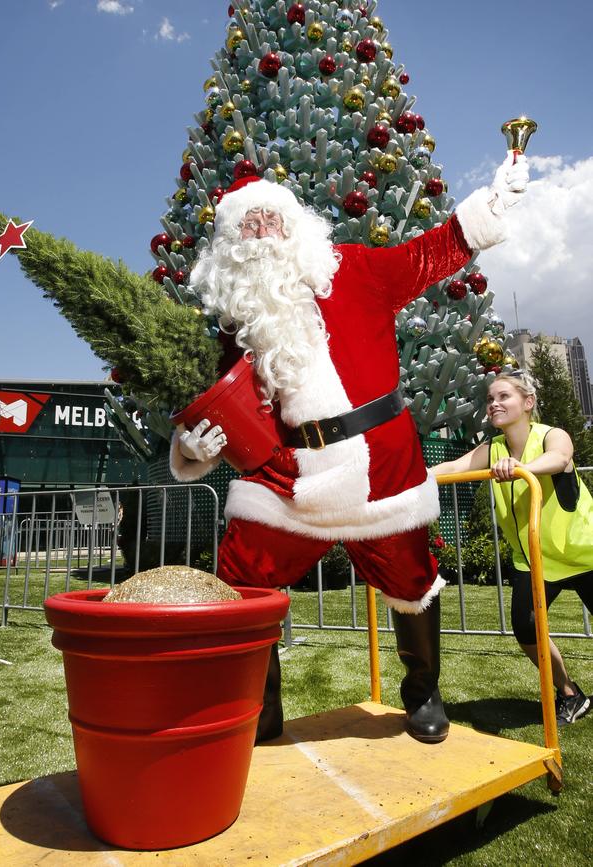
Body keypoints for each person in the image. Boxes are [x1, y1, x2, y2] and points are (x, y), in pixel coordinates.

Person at [170, 153, 529, 744]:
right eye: (247, 226)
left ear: (294, 226)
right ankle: (260, 710)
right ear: (231, 244)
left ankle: (423, 693)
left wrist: (491, 206)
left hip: (380, 466)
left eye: (270, 220)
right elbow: (227, 409)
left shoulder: (359, 270)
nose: (262, 234)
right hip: (290, 476)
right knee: (240, 576)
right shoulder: (237, 326)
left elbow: (430, 252)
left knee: (413, 581)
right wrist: (196, 447)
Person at [432, 371, 592, 725]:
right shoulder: (493, 449)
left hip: (584, 553)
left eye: (503, 397)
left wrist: (522, 468)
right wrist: (415, 477)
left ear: (528, 402)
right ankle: (570, 693)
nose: (494, 404)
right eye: (490, 399)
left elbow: (560, 458)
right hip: (533, 560)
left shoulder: (551, 435)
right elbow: (454, 467)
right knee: (526, 629)